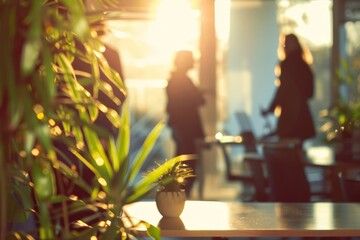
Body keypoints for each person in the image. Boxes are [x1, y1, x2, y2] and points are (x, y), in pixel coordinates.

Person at [261, 33, 316, 146]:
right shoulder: (304, 65)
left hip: (290, 117)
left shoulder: (287, 64)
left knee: (287, 153)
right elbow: (310, 93)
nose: (285, 46)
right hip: (301, 115)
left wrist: (271, 108)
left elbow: (283, 90)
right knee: (297, 152)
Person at [166, 50, 206, 196]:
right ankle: (181, 195)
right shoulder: (182, 81)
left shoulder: (176, 80)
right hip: (186, 129)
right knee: (188, 164)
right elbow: (193, 102)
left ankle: (179, 195)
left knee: (183, 162)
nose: (194, 62)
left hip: (182, 128)